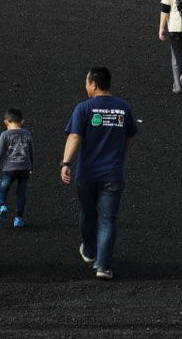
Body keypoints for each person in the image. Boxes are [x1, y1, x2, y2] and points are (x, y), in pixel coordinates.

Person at [61, 66, 138, 281]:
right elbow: (129, 136)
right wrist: (119, 152)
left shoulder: (84, 108)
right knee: (108, 219)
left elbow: (74, 137)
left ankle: (89, 250)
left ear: (93, 84)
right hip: (113, 173)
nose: (85, 86)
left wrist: (66, 163)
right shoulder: (124, 108)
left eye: (87, 82)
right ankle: (103, 266)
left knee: (87, 213)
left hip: (87, 173)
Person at [0, 108, 33, 228]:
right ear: (22, 122)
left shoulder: (5, 135)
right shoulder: (27, 133)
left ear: (6, 122)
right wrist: (31, 166)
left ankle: (3, 206)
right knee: (21, 193)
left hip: (9, 169)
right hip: (25, 169)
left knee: (2, 190)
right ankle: (18, 219)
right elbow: (31, 152)